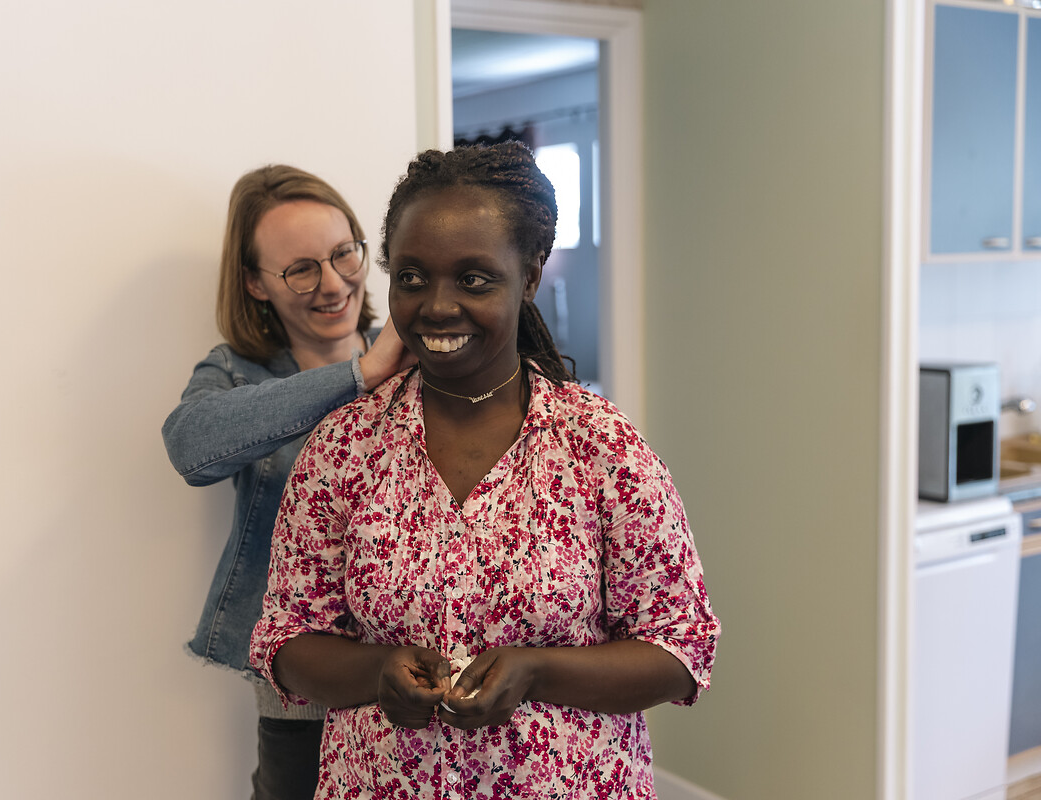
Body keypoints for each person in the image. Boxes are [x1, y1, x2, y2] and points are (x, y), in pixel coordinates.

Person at [250, 142, 720, 799]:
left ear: (528, 278)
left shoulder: (600, 447)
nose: (437, 306)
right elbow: (287, 640)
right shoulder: (346, 449)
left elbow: (679, 650)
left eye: (473, 279)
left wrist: (536, 673)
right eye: (412, 278)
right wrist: (376, 671)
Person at [162, 164, 411, 800]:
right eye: (300, 269)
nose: (333, 285)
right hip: (297, 665)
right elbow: (192, 447)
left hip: (413, 649)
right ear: (254, 283)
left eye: (343, 254)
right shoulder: (240, 371)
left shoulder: (416, 350)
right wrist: (357, 376)